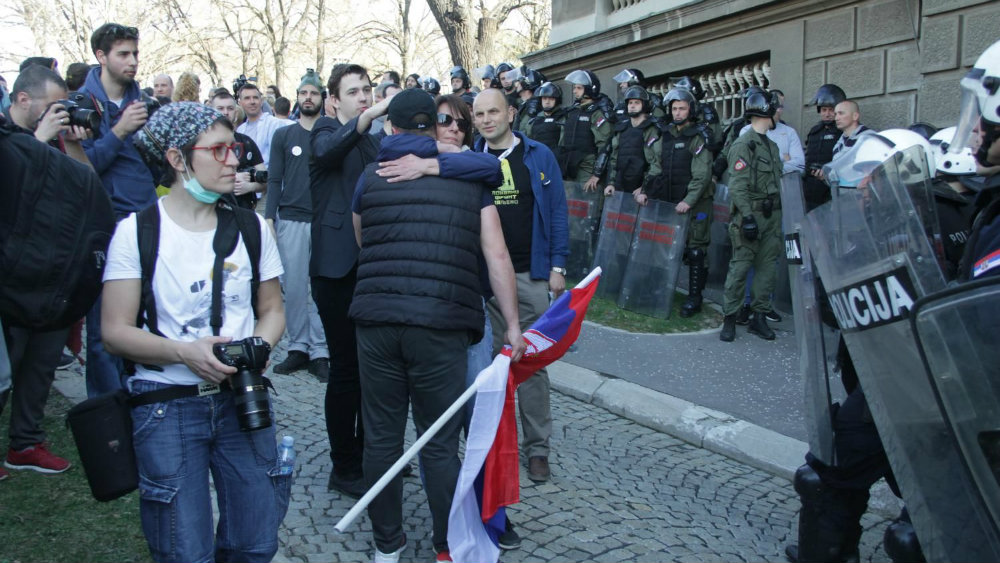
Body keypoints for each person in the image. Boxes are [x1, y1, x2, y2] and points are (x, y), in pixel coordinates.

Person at [102, 101, 288, 563]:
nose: (234, 160)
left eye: (236, 149)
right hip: (166, 406)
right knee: (184, 550)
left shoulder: (254, 227)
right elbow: (114, 331)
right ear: (178, 158)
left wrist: (258, 347)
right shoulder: (136, 232)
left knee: (255, 543)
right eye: (219, 150)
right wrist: (185, 353)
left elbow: (273, 310)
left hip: (241, 400)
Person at [310, 63, 505, 498]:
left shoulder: (386, 140)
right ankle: (345, 465)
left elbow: (485, 170)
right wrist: (374, 113)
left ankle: (379, 464)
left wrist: (430, 165)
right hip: (339, 270)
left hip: (383, 277)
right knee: (346, 374)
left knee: (379, 384)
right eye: (354, 92)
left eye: (368, 90)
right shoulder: (325, 132)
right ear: (334, 101)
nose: (364, 97)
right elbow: (328, 156)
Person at [349, 87, 524, 563]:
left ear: (393, 127)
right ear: (433, 127)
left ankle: (388, 545)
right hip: (442, 322)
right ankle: (447, 544)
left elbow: (362, 238)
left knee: (382, 437)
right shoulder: (469, 179)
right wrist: (512, 324)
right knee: (439, 442)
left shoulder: (371, 175)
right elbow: (497, 254)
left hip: (377, 321)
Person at [0, 65, 95, 478]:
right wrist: (38, 142)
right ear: (22, 100)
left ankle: (25, 442)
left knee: (40, 363)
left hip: (55, 271)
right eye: (51, 105)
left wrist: (71, 144)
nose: (60, 112)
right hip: (13, 275)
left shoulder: (56, 139)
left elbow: (89, 186)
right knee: (7, 366)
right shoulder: (8, 141)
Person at [473, 88, 569, 483]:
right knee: (488, 366)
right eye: (478, 114)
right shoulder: (470, 158)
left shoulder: (538, 155)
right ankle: (495, 447)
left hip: (529, 272)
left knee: (528, 364)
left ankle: (538, 448)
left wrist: (558, 265)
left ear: (511, 113)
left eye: (493, 111)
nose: (486, 119)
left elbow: (558, 211)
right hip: (483, 278)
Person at [78, 22, 156, 398]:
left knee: (148, 320)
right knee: (104, 330)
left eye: (135, 54)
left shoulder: (142, 100)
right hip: (103, 227)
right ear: (101, 56)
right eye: (123, 54)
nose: (133, 62)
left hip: (145, 221)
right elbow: (81, 168)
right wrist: (120, 131)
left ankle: (147, 401)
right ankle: (109, 418)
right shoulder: (78, 105)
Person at [264, 72, 329, 381]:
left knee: (321, 287)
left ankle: (320, 350)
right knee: (293, 287)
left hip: (324, 221)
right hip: (291, 218)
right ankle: (297, 348)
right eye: (303, 92)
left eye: (313, 93)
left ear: (322, 97)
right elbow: (275, 178)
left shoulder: (331, 134)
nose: (308, 98)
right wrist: (269, 217)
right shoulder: (284, 136)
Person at [640, 87, 714, 318]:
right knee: (665, 247)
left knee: (695, 251)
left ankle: (694, 298)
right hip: (670, 201)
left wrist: (688, 201)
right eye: (674, 108)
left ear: (690, 110)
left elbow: (702, 174)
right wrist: (645, 190)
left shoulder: (699, 136)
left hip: (694, 203)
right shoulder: (666, 135)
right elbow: (656, 166)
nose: (678, 112)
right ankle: (662, 291)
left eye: (682, 108)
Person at [734, 89, 805, 323]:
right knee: (746, 259)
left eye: (782, 106)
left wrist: (777, 165)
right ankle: (744, 305)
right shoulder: (747, 133)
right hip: (753, 207)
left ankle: (762, 308)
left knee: (769, 260)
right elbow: (742, 175)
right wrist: (781, 164)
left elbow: (799, 165)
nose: (779, 110)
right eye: (776, 106)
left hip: (778, 205)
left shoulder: (787, 134)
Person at [719, 89, 782, 342]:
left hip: (772, 216)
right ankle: (730, 317)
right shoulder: (744, 144)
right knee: (740, 267)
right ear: (766, 110)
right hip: (751, 215)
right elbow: (737, 185)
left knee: (767, 269)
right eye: (775, 108)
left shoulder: (772, 146)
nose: (778, 112)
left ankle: (759, 316)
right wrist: (746, 217)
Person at [209, 89, 267, 209]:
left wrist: (250, 186)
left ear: (236, 111)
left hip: (243, 211)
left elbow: (265, 180)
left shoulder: (246, 142)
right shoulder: (202, 142)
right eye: (220, 108)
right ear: (211, 110)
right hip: (212, 209)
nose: (225, 112)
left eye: (230, 108)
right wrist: (232, 177)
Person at [559, 69, 613, 192]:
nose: (574, 91)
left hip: (587, 168)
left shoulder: (597, 113)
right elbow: (562, 142)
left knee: (586, 203)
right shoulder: (572, 112)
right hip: (569, 166)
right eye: (574, 88)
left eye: (579, 88)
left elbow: (604, 145)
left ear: (589, 89)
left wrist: (596, 174)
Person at [803, 83, 846, 211]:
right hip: (810, 190)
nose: (827, 114)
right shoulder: (814, 131)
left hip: (830, 190)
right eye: (823, 110)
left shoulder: (842, 132)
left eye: (830, 110)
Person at [236, 82, 289, 168]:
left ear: (261, 101)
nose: (252, 102)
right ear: (240, 103)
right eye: (247, 98)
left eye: (255, 98)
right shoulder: (240, 130)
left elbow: (280, 159)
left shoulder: (275, 124)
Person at [523, 81, 565, 157]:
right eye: (544, 98)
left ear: (557, 100)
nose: (547, 102)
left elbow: (564, 143)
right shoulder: (533, 121)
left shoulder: (563, 118)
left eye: (551, 99)